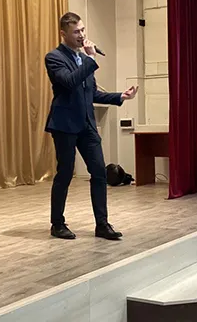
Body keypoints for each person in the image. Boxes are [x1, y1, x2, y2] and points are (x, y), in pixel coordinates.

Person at [44, 12, 138, 240]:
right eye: (76, 31)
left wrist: (120, 96)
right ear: (63, 33)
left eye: (83, 30)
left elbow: (92, 93)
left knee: (99, 172)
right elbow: (69, 82)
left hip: (87, 124)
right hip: (65, 125)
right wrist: (91, 59)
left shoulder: (82, 60)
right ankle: (57, 224)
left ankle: (102, 225)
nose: (82, 35)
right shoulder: (54, 57)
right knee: (65, 173)